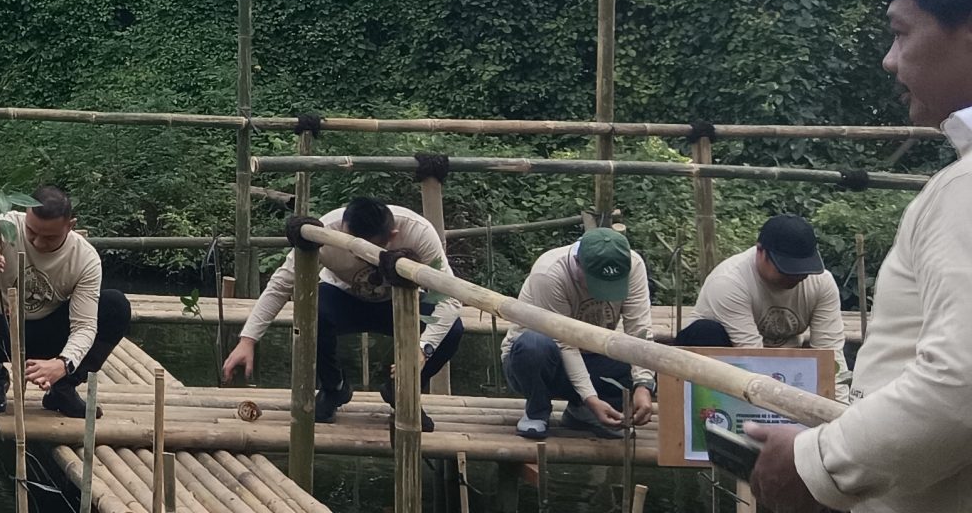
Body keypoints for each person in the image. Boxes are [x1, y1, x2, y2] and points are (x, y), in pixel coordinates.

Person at [753, 0, 972, 512]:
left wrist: (815, 465)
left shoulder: (966, 190)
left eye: (901, 34)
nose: (888, 60)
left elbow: (961, 386)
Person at [220, 198, 464, 431]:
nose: (356, 255)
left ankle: (403, 391)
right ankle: (333, 387)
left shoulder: (419, 233)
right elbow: (280, 285)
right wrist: (247, 339)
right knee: (311, 310)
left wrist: (422, 349)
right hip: (343, 299)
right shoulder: (326, 231)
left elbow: (450, 297)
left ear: (392, 237)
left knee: (452, 330)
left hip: (400, 305)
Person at [0, 187, 134, 418]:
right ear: (26, 214)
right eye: (31, 232)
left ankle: (63, 389)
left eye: (50, 237)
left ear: (70, 226)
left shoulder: (85, 258)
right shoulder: (4, 225)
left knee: (115, 306)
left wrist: (64, 364)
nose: (38, 242)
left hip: (46, 327)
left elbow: (84, 326)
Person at [500, 227, 657, 439]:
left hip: (593, 355)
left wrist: (644, 385)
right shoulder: (549, 274)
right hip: (546, 359)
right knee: (534, 345)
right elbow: (564, 342)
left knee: (649, 360)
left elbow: (639, 330)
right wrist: (591, 398)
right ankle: (537, 409)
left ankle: (581, 412)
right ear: (577, 263)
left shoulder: (633, 265)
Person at [676, 214, 850, 399]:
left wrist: (840, 412)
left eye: (803, 269)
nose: (796, 276)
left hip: (782, 365)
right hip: (725, 362)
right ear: (761, 252)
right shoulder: (729, 282)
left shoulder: (822, 282)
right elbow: (752, 356)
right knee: (706, 332)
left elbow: (830, 353)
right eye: (787, 269)